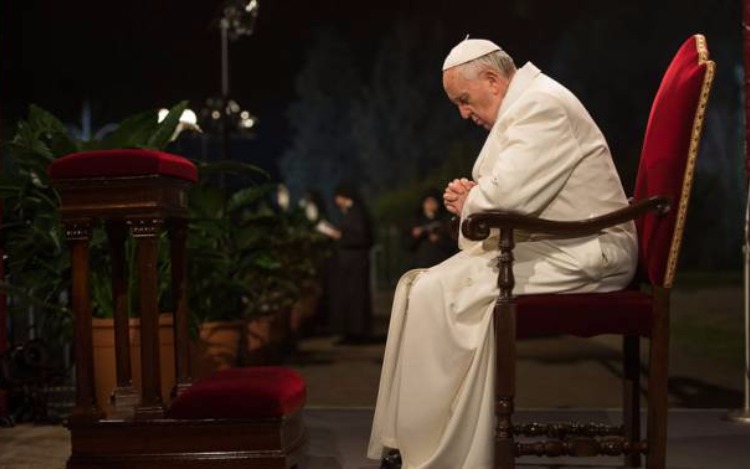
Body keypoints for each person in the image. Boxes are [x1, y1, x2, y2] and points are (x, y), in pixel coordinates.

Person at [368, 38, 637, 468]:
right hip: (556, 241)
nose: (463, 113)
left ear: (492, 80)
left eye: (464, 100)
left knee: (446, 295)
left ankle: (447, 453)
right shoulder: (528, 104)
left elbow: (508, 198)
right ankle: (416, 443)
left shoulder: (542, 106)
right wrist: (476, 198)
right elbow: (505, 194)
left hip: (590, 249)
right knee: (421, 287)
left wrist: (469, 201)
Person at [316, 183, 375, 345]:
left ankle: (357, 333)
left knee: (356, 298)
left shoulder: (357, 213)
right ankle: (350, 332)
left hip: (355, 263)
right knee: (348, 298)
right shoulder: (352, 212)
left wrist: (338, 236)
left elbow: (361, 237)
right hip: (348, 263)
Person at [405, 191, 456, 269]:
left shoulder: (446, 221)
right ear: (423, 204)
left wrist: (438, 239)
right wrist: (416, 236)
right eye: (428, 201)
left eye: (433, 201)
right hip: (421, 266)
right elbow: (408, 246)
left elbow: (453, 245)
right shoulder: (415, 222)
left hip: (443, 264)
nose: (430, 204)